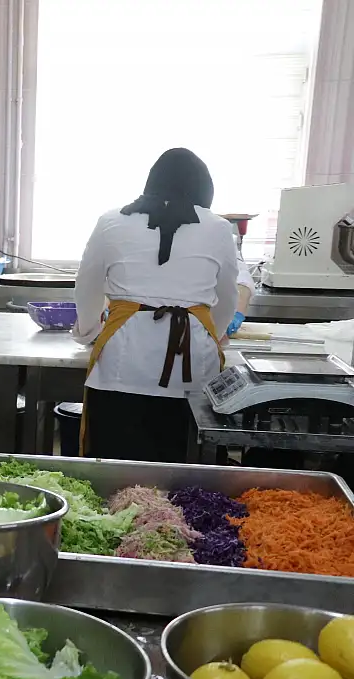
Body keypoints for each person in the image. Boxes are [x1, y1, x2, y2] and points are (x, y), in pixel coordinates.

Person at [73, 148, 239, 463]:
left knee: (116, 469)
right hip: (192, 367)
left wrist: (87, 331)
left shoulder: (111, 221)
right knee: (184, 472)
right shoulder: (218, 227)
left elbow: (87, 286)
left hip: (122, 367)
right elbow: (228, 296)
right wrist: (211, 334)